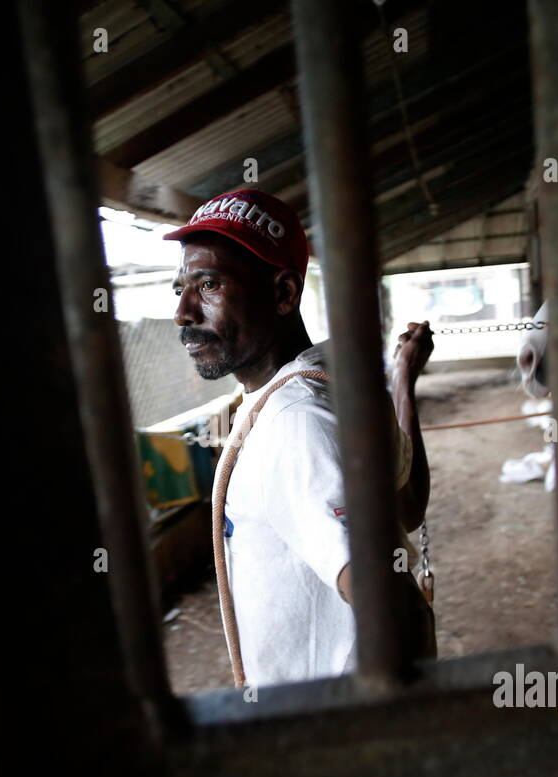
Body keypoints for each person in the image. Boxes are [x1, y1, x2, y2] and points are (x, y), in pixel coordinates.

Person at [166, 188, 435, 686]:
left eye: (208, 285)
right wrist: (403, 380)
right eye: (179, 288)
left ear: (284, 294)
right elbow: (410, 506)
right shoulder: (339, 382)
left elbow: (401, 613)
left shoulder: (296, 421)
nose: (183, 312)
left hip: (333, 728)